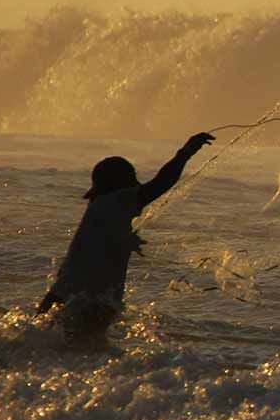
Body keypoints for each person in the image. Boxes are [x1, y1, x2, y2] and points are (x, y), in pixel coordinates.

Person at [38, 132, 214, 339]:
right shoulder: (118, 200)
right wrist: (186, 152)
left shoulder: (99, 207)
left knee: (47, 345)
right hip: (90, 302)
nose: (137, 184)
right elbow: (161, 183)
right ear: (121, 183)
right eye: (132, 177)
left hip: (62, 295)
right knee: (82, 352)